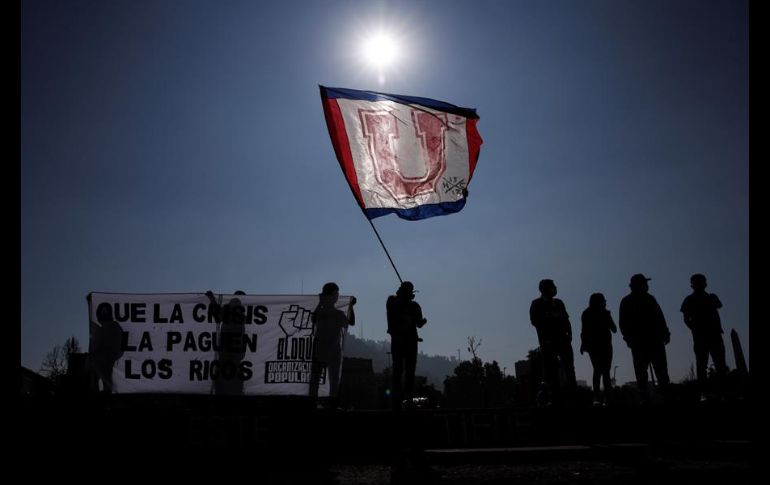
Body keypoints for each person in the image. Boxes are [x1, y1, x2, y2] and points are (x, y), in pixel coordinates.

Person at [619, 274, 671, 404]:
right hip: (641, 342)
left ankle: (662, 396)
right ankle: (647, 398)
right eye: (643, 283)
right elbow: (623, 323)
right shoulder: (628, 301)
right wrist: (629, 339)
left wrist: (665, 332)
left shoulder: (649, 299)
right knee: (643, 373)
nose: (646, 286)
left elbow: (659, 317)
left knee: (660, 372)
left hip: (653, 340)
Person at [680, 273, 728, 401]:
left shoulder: (710, 297)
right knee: (702, 365)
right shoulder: (689, 300)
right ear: (693, 284)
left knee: (720, 365)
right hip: (701, 337)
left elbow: (719, 305)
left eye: (701, 282)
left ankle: (723, 391)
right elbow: (685, 318)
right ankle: (705, 393)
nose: (700, 285)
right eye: (697, 282)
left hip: (715, 334)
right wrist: (694, 329)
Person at [309, 282, 356, 408]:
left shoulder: (323, 312)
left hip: (321, 348)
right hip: (331, 349)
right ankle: (331, 403)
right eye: (336, 293)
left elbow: (313, 319)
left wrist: (321, 301)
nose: (337, 296)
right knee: (332, 379)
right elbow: (351, 322)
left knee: (316, 379)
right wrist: (351, 306)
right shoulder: (337, 314)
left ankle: (314, 402)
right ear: (333, 295)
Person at [529, 279, 577, 405]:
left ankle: (573, 397)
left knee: (569, 369)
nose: (554, 289)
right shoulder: (536, 304)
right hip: (548, 343)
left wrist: (569, 335)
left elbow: (567, 320)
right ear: (545, 289)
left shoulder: (559, 303)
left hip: (564, 342)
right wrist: (547, 337)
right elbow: (535, 321)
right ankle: (555, 399)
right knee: (551, 372)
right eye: (552, 287)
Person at [387, 281, 426, 411]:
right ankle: (402, 401)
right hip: (405, 342)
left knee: (403, 372)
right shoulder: (399, 303)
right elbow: (419, 323)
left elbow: (418, 323)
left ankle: (402, 401)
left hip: (403, 342)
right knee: (404, 372)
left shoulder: (401, 304)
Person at [205, 290, 247, 395]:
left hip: (229, 352)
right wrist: (212, 299)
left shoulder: (233, 312)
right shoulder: (234, 313)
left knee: (225, 376)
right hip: (232, 353)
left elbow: (216, 313)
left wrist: (212, 299)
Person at [580, 293, 617, 406]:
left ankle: (600, 397)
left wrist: (583, 345)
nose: (606, 302)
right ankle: (605, 397)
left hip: (598, 347)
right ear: (600, 302)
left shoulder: (587, 313)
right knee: (602, 371)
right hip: (599, 346)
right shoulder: (598, 313)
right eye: (604, 300)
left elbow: (584, 332)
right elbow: (614, 329)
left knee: (600, 371)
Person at [88, 299, 125, 393]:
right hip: (109, 356)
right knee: (105, 376)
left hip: (106, 356)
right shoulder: (113, 327)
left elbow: (100, 342)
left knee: (102, 375)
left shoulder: (109, 327)